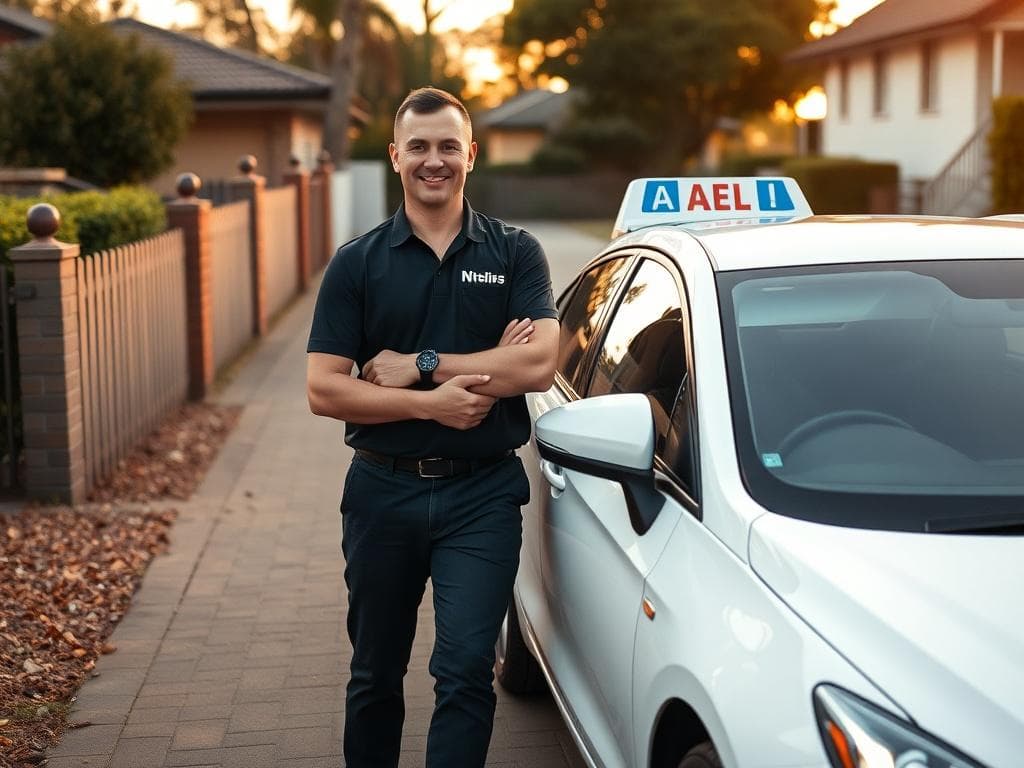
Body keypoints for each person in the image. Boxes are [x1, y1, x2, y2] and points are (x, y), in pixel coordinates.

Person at [305, 87, 559, 768]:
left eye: (449, 145)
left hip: (482, 499)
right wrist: (435, 402)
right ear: (395, 156)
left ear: (471, 155)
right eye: (419, 146)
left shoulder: (515, 253)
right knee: (375, 676)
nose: (434, 160)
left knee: (467, 672)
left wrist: (421, 365)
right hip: (381, 495)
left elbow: (537, 363)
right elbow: (324, 389)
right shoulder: (357, 262)